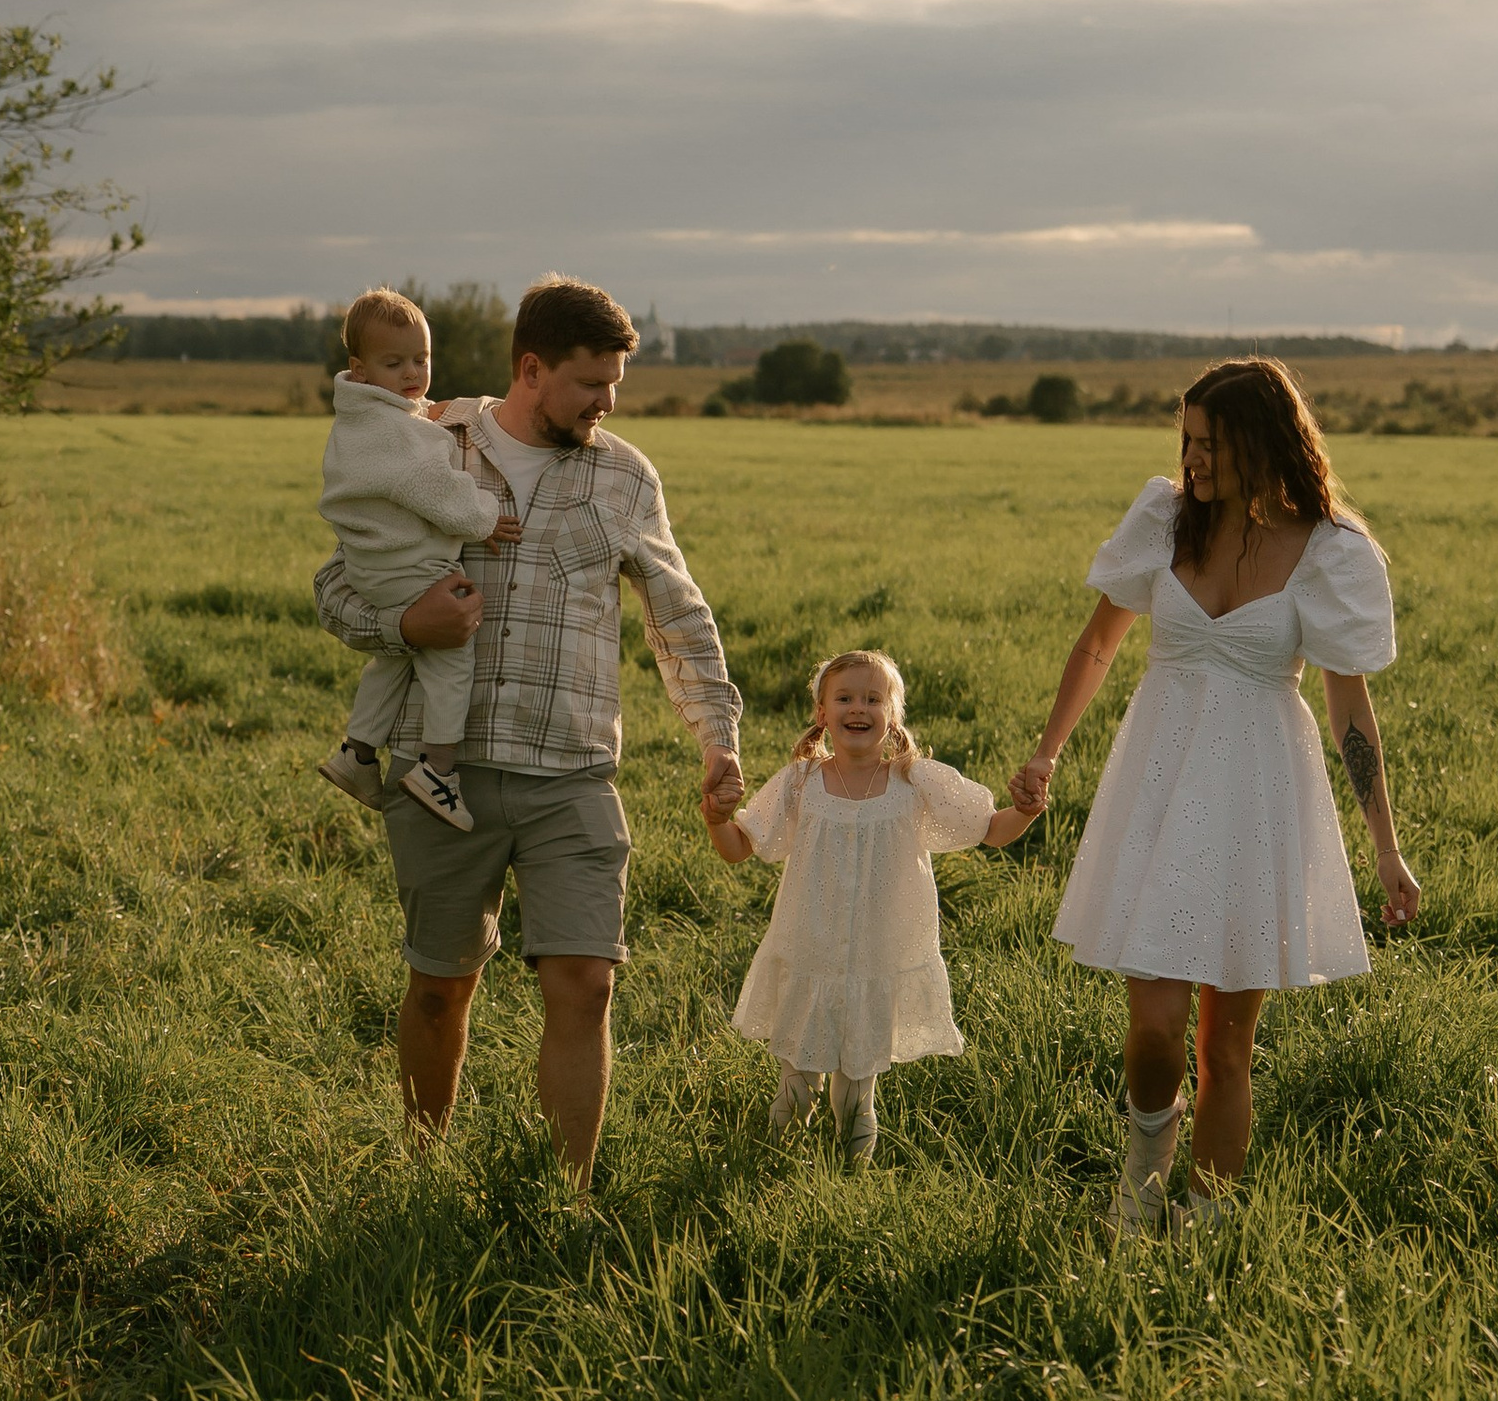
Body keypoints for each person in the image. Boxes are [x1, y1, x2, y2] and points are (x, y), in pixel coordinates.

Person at [313, 274, 744, 1192]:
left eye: (615, 384)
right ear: (531, 368)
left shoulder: (624, 474)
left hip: (575, 774)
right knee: (440, 986)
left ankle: (566, 1197)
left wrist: (718, 737)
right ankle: (425, 1170)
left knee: (588, 984)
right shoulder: (428, 441)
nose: (606, 402)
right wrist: (402, 629)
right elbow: (338, 583)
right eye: (589, 383)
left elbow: (678, 613)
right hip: (448, 774)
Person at [1006, 356, 1421, 1240]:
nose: (1190, 460)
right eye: (1185, 440)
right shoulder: (1163, 520)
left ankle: (1204, 1227)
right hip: (1159, 779)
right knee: (1155, 1027)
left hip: (1258, 797)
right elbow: (1097, 646)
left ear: (1263, 445)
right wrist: (1046, 754)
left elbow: (1350, 704)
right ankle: (1144, 1170)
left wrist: (1386, 846)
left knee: (1225, 1046)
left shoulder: (1331, 552)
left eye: (1209, 445)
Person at [701, 646, 1041, 1164]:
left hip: (876, 960)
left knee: (857, 1096)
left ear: (892, 714)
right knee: (796, 1085)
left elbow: (991, 831)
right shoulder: (800, 784)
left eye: (872, 699)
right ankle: (773, 1171)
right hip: (810, 950)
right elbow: (739, 848)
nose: (858, 708)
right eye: (844, 698)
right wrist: (715, 818)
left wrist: (1026, 810)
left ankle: (851, 1178)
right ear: (822, 713)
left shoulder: (914, 782)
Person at [315, 288, 503, 832]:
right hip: (410, 565)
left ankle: (358, 752)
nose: (411, 373)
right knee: (450, 656)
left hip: (371, 566)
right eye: (393, 363)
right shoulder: (398, 430)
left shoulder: (358, 419)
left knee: (396, 657)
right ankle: (437, 769)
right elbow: (434, 489)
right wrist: (485, 518)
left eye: (420, 359)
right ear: (361, 369)